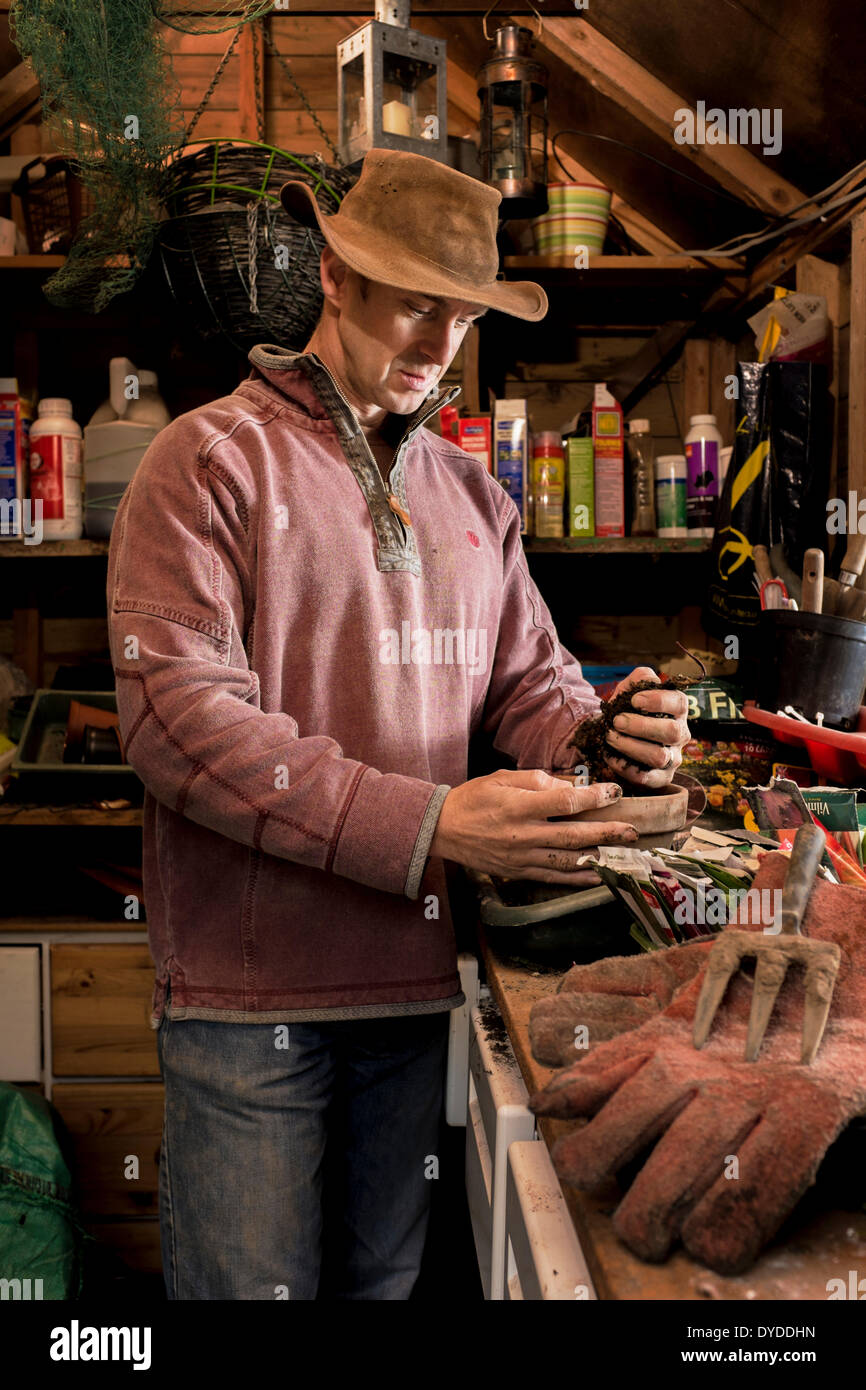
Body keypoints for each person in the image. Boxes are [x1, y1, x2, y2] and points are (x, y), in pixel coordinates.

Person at [107, 148, 690, 1301]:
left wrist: (599, 735)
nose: (437, 345)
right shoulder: (207, 462)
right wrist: (428, 826)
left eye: (461, 316)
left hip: (415, 987)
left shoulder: (473, 497)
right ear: (334, 277)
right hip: (247, 1000)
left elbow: (529, 685)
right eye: (415, 303)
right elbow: (179, 719)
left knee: (382, 1288)